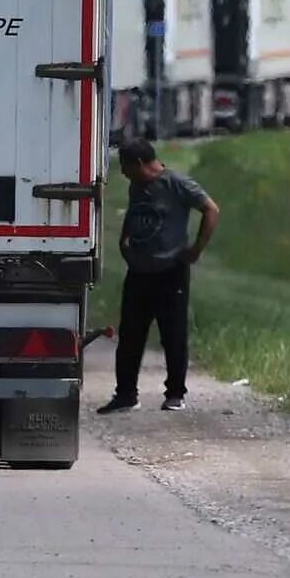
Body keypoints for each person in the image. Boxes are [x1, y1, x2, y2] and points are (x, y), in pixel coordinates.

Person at [97, 139, 220, 414]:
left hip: (170, 272)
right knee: (130, 336)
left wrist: (196, 249)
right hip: (139, 272)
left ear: (139, 163)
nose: (125, 174)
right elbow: (134, 215)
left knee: (173, 335)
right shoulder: (136, 185)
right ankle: (125, 394)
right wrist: (124, 240)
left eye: (126, 168)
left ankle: (175, 393)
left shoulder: (176, 183)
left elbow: (211, 210)